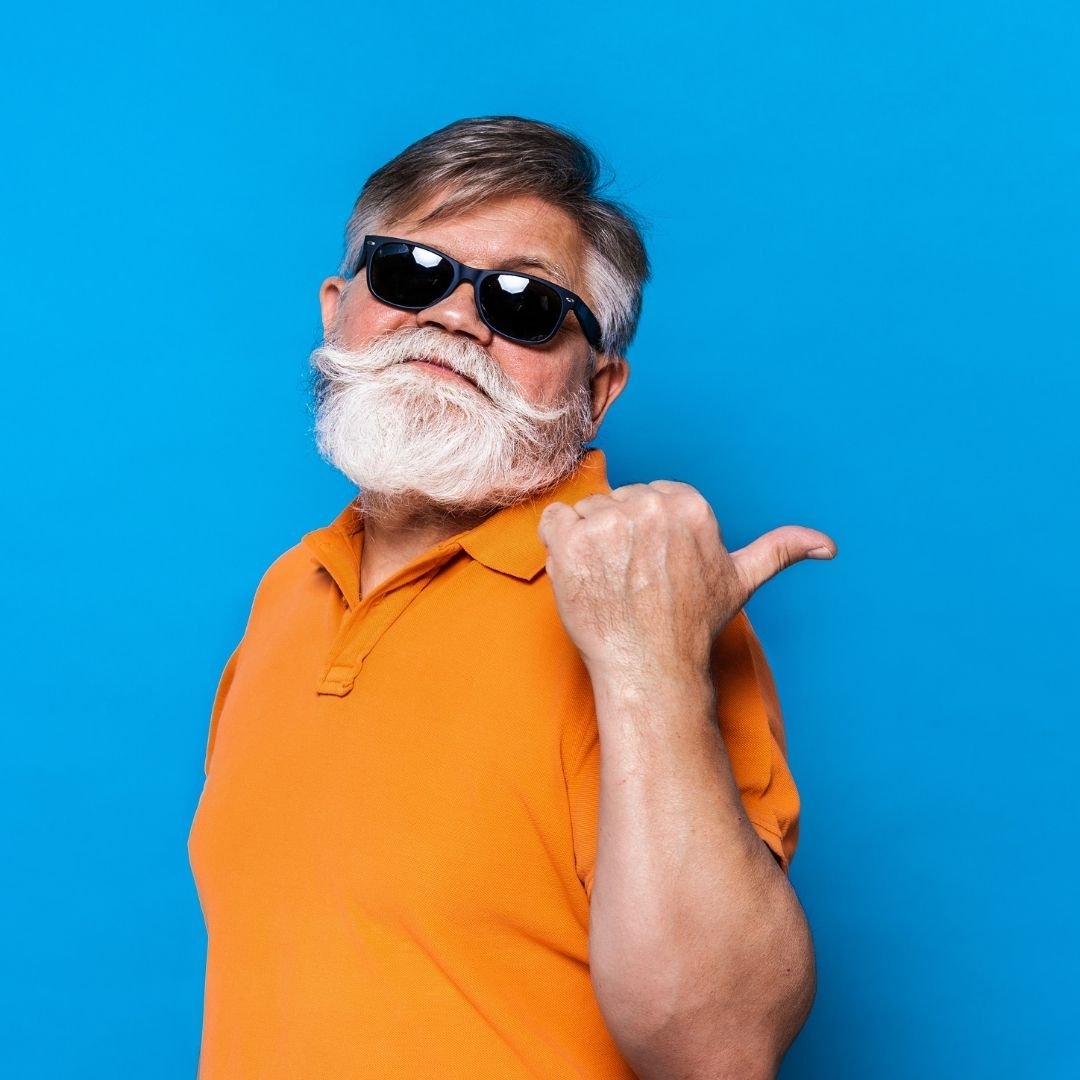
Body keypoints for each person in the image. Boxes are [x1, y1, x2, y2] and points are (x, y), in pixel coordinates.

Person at [188, 115, 836, 1080]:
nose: (454, 317)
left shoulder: (653, 608)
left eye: (526, 303)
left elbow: (719, 1050)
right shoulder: (288, 589)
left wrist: (650, 666)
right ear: (339, 309)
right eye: (410, 271)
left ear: (598, 386)